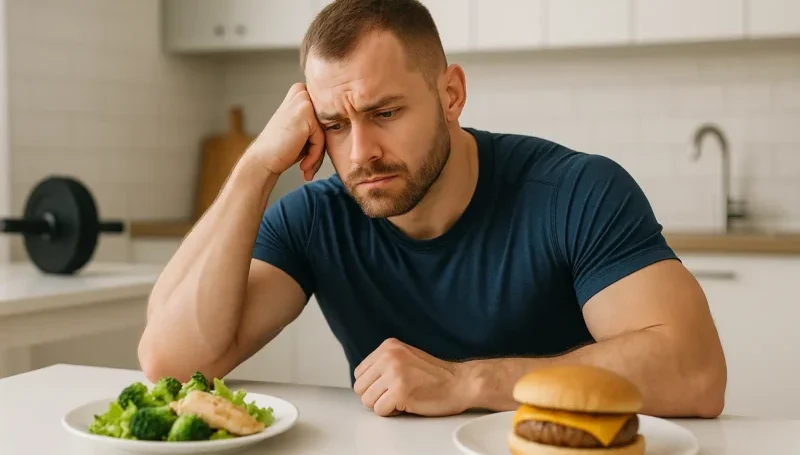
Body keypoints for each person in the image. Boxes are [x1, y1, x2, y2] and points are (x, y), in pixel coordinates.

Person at [138, 0, 727, 419]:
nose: (361, 152)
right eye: (335, 125)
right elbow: (169, 361)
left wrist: (468, 381)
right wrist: (256, 169)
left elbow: (696, 372)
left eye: (385, 113)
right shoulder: (317, 217)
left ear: (451, 94)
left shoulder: (576, 191)